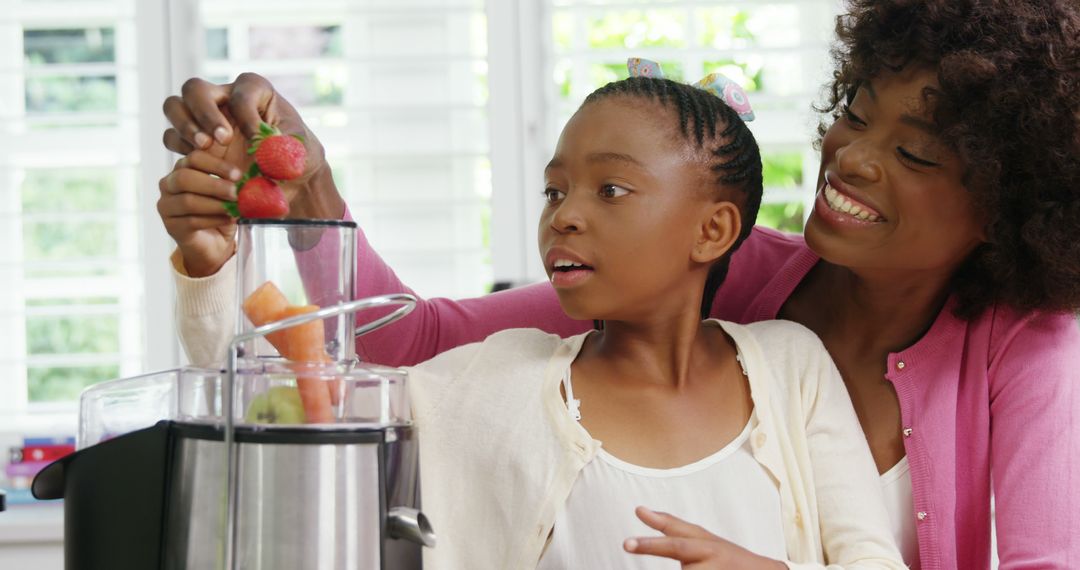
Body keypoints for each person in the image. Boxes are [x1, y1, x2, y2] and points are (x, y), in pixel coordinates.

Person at [158, 0, 1080, 567]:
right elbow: (415, 343)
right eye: (854, 114)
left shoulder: (1022, 341)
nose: (853, 159)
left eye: (913, 154)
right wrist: (309, 192)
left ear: (1007, 203)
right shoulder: (722, 272)